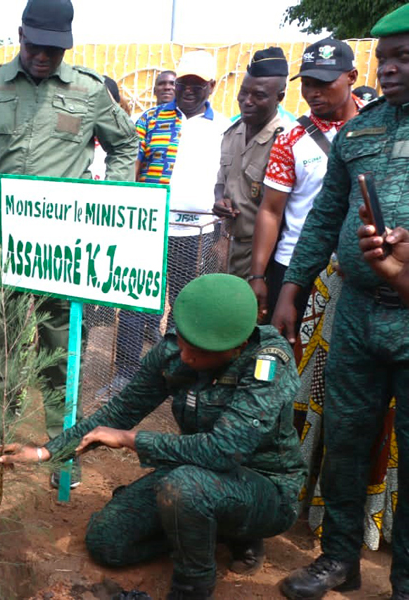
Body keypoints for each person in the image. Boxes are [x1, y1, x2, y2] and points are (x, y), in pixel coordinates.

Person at [0, 274, 306, 600]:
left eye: (197, 349)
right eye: (183, 340)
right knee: (107, 541)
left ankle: (193, 585)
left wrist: (133, 440)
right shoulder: (175, 350)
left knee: (185, 487)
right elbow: (119, 412)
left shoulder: (267, 362)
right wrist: (46, 452)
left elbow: (225, 450)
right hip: (194, 473)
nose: (185, 355)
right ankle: (210, 530)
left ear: (237, 346)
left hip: (264, 488)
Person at [0, 0, 138, 478]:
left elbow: (126, 145)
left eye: (54, 50)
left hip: (64, 246)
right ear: (20, 35)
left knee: (61, 345)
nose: (43, 57)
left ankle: (61, 444)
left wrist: (107, 203)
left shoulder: (89, 91)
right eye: (35, 46)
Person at [277, 7, 409, 598]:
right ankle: (339, 559)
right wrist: (291, 289)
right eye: (384, 58)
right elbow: (324, 218)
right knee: (347, 439)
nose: (390, 69)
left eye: (404, 56)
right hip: (355, 312)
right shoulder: (361, 130)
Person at [114, 50, 226, 394]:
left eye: (196, 84)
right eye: (183, 82)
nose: (188, 89)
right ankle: (125, 374)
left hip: (196, 231)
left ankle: (173, 373)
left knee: (182, 304)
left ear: (211, 85)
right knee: (136, 296)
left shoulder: (223, 126)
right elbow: (132, 167)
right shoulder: (150, 119)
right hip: (149, 225)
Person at [249, 38, 360, 322]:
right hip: (295, 268)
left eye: (324, 83)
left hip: (359, 268)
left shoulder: (377, 127)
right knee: (288, 354)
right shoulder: (291, 139)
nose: (313, 92)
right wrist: (259, 274)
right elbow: (271, 210)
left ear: (351, 77)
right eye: (308, 83)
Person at [212, 47, 289, 278]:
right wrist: (219, 201)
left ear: (279, 97)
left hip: (263, 255)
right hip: (226, 246)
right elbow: (220, 183)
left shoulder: (284, 141)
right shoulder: (231, 134)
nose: (247, 101)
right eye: (243, 93)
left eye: (259, 95)